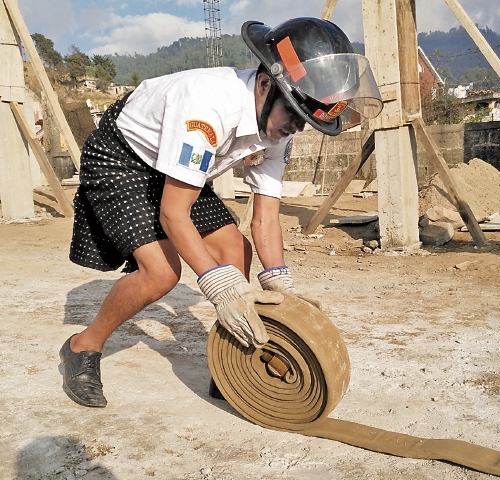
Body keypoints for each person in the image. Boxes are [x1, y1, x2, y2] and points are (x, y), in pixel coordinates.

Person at [59, 17, 383, 408]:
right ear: (266, 84)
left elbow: (264, 217)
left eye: (306, 121)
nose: (296, 128)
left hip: (174, 164)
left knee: (236, 251)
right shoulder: (207, 108)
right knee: (162, 273)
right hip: (123, 157)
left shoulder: (279, 125)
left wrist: (280, 282)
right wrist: (218, 287)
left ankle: (230, 361)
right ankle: (82, 346)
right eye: (294, 116)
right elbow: (173, 214)